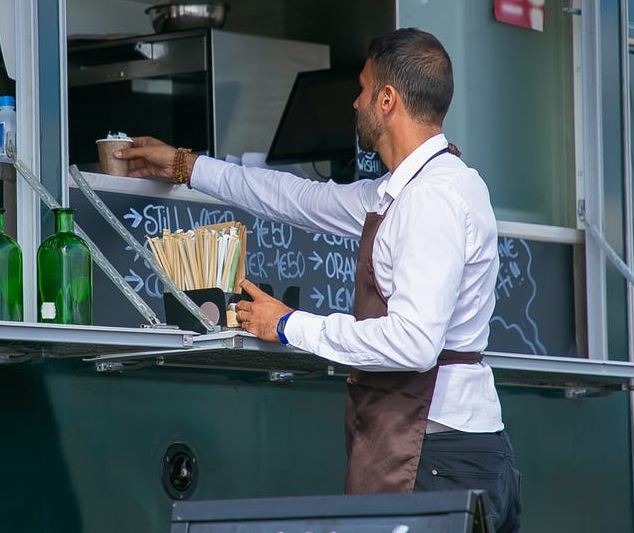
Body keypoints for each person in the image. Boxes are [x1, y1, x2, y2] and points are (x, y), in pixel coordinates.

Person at [116, 28, 521, 532]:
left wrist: (288, 325)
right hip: (444, 451)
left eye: (362, 89)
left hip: (438, 457)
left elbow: (414, 343)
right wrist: (184, 165)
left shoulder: (430, 199)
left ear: (387, 100)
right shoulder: (408, 191)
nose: (355, 103)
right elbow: (294, 198)